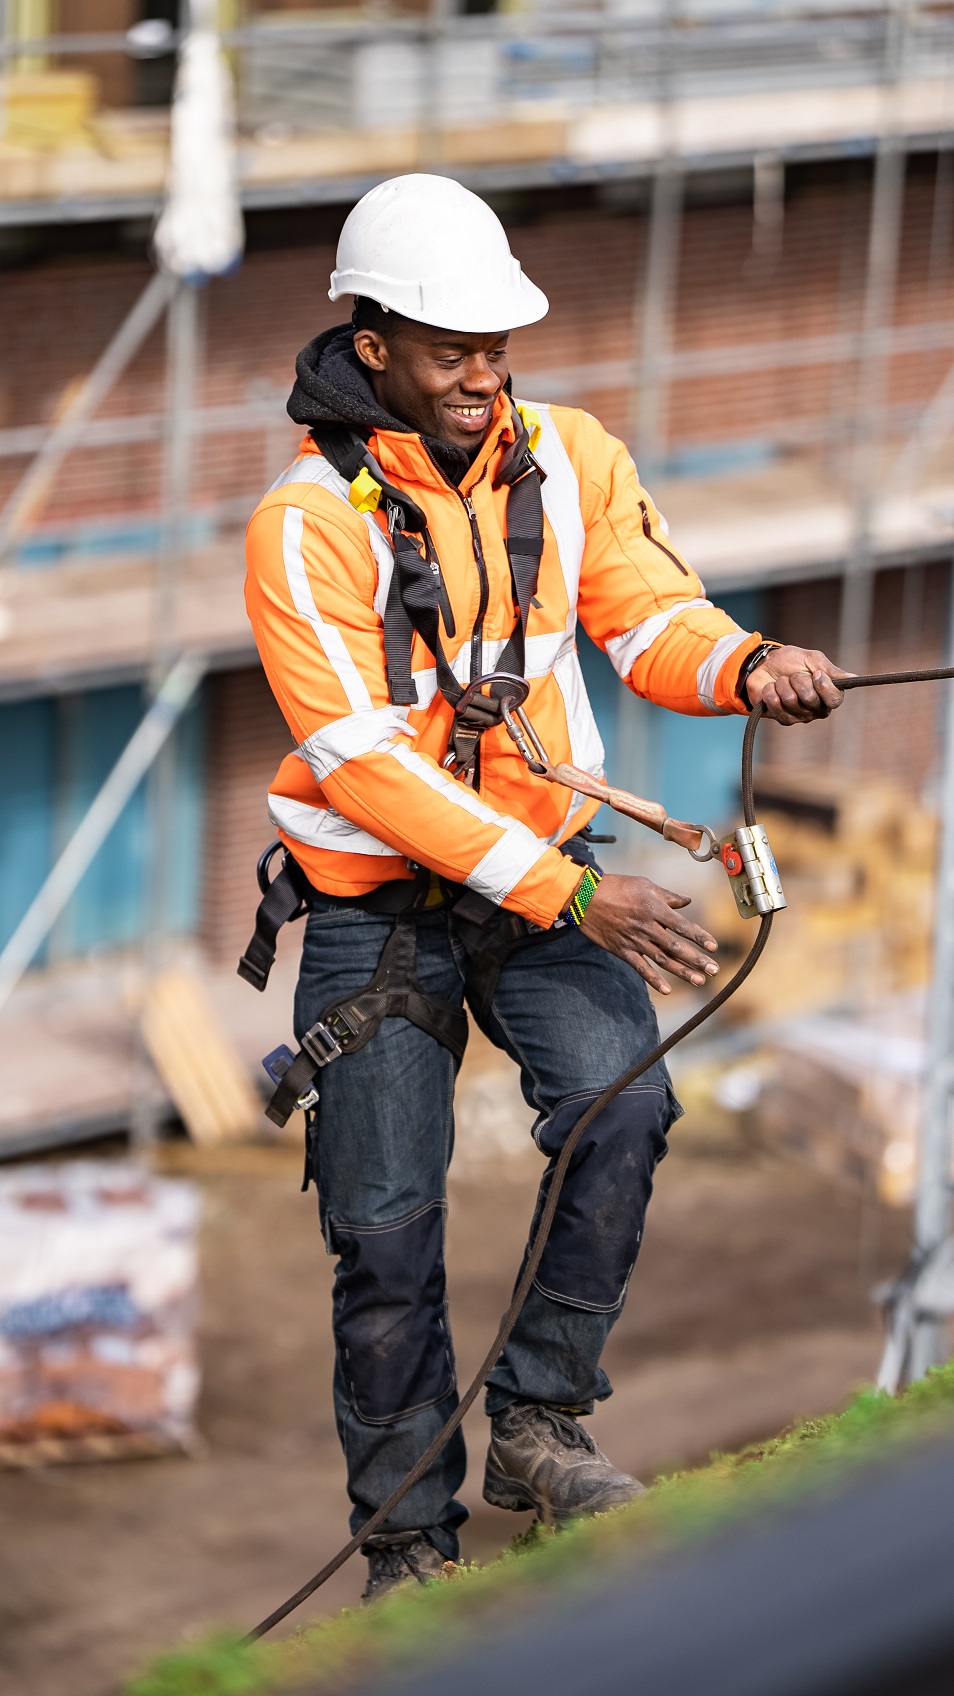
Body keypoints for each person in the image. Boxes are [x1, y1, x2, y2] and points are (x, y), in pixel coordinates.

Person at [244, 173, 846, 1601]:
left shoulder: (565, 458)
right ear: (372, 340)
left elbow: (646, 615)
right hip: (378, 909)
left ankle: (537, 1419)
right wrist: (574, 898)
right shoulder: (307, 523)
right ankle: (409, 1547)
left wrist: (741, 665)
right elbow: (363, 766)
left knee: (618, 1100)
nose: (482, 371)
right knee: (383, 1230)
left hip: (532, 882)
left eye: (497, 344)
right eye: (450, 347)